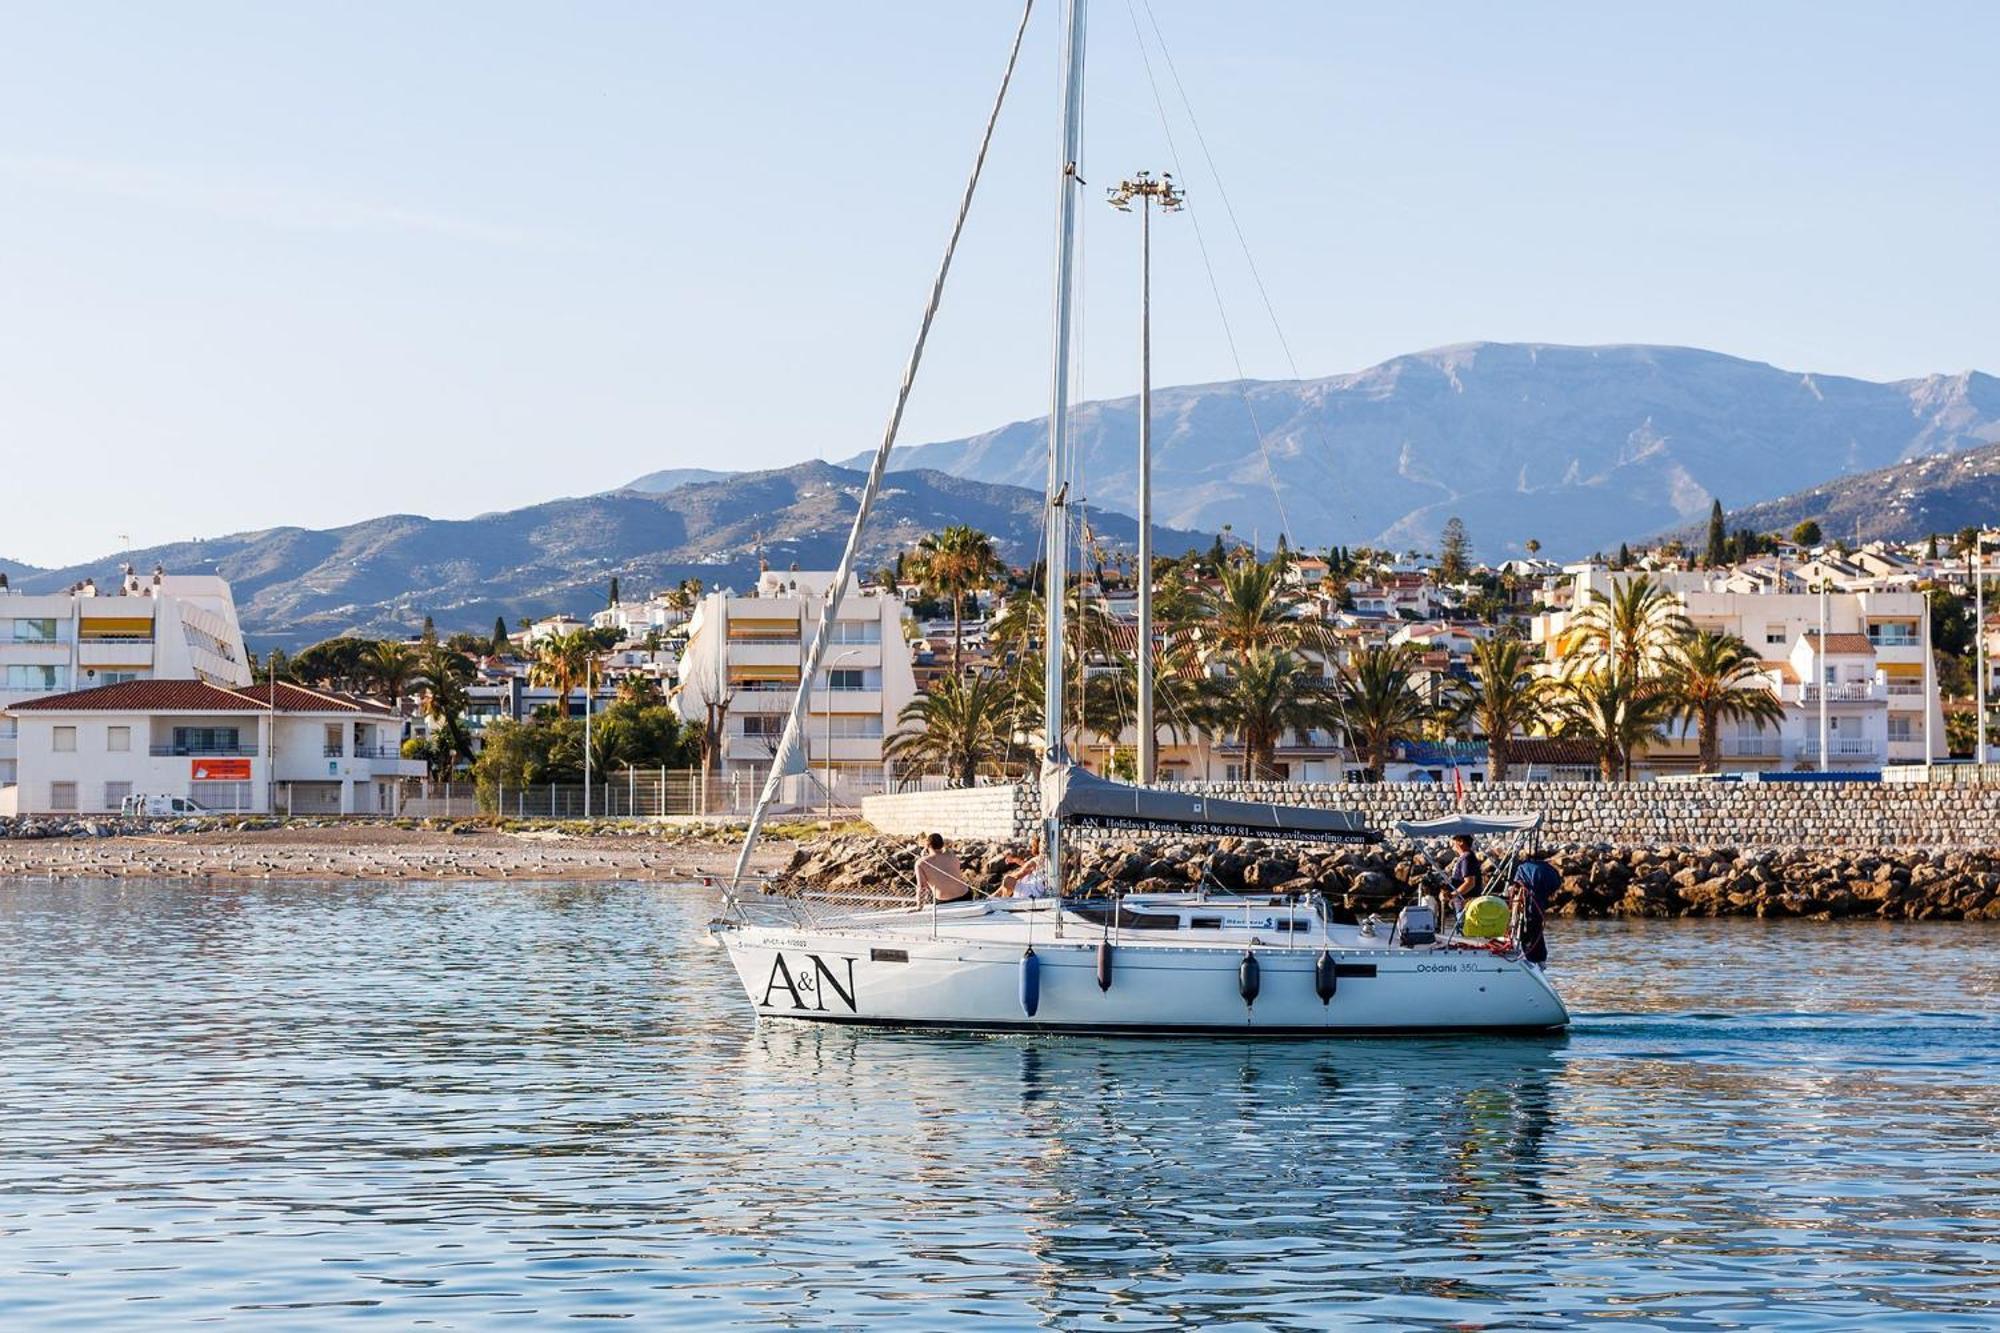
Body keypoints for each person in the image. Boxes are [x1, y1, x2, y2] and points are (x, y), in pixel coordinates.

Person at [1509, 850, 1561, 968]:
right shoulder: (1550, 869)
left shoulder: (1522, 868)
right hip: (1541, 901)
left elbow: (1517, 885)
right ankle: (1539, 958)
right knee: (1536, 927)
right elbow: (1556, 883)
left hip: (1530, 902)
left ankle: (1530, 957)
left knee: (1527, 927)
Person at [913, 832, 972, 907]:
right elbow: (945, 851)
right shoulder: (952, 856)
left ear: (927, 845)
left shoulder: (921, 863)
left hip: (944, 900)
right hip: (965, 895)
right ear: (942, 844)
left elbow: (922, 886)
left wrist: (919, 906)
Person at [999, 834, 1055, 900]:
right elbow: (1027, 866)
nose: (1030, 847)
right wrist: (1016, 860)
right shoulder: (1047, 860)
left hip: (1030, 892)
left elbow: (1019, 875)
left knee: (1007, 879)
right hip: (1039, 890)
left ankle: (1003, 900)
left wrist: (997, 892)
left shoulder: (1036, 860)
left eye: (1031, 845)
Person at [1445, 833, 1485, 916]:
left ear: (1460, 841)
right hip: (1463, 905)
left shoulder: (1467, 857)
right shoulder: (1465, 857)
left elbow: (1470, 883)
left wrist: (1452, 895)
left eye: (1453, 840)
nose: (1452, 843)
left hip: (1466, 906)